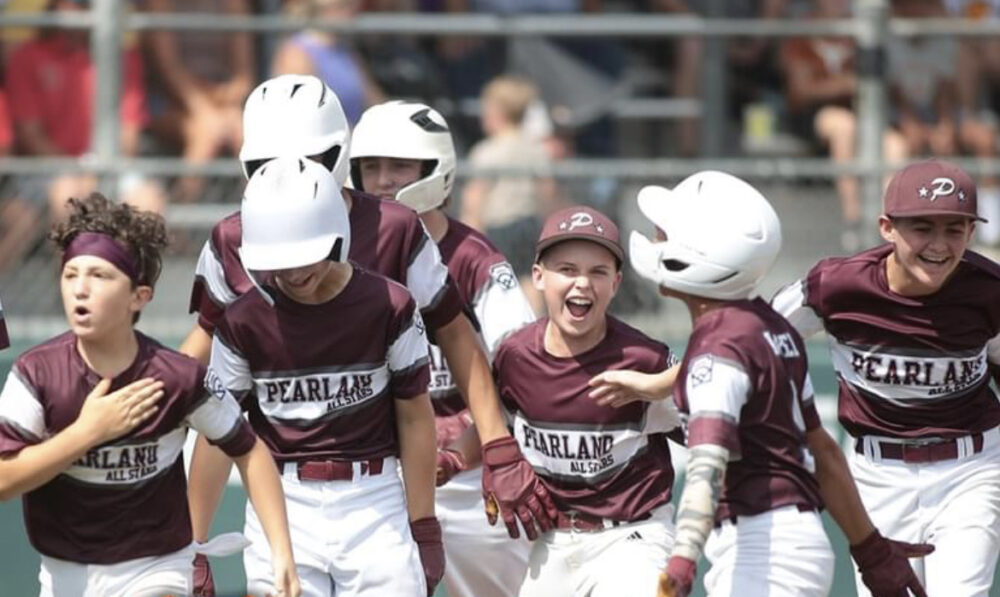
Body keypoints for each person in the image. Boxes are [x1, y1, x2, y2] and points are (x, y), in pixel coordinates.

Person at [182, 76, 551, 596]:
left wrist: (494, 442)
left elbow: (456, 336)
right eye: (266, 164)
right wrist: (187, 540)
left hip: (388, 476)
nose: (289, 174)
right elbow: (200, 367)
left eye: (308, 158)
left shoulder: (396, 230)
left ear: (337, 151)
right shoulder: (232, 238)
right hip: (283, 477)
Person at [594, 170, 931, 597]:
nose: (657, 240)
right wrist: (870, 549)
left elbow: (707, 464)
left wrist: (681, 560)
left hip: (761, 548)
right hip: (792, 542)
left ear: (703, 251)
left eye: (667, 233)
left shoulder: (717, 348)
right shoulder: (770, 327)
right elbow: (823, 451)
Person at [0, 193, 297, 597]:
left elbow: (249, 450)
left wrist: (282, 553)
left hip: (157, 568)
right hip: (64, 574)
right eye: (71, 275)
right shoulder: (35, 373)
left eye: (100, 276)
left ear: (139, 296)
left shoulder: (178, 377)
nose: (80, 289)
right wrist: (87, 433)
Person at [192, 156, 442, 597]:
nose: (293, 272)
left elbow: (415, 417)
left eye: (305, 253)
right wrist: (192, 544)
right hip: (282, 501)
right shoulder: (241, 322)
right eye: (278, 259)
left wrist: (423, 523)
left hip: (375, 499)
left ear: (338, 235)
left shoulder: (391, 305)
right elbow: (219, 435)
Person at [771, 159, 1000, 597]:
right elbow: (749, 337)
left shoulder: (989, 291)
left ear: (972, 233)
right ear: (886, 227)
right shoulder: (836, 286)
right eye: (921, 227)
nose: (938, 244)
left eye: (954, 228)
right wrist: (663, 383)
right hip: (877, 473)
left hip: (970, 469)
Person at [349, 100, 537, 597]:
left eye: (399, 166)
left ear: (436, 169)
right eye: (371, 166)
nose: (384, 179)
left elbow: (522, 367)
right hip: (379, 480)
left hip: (470, 482)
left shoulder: (473, 258)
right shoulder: (341, 257)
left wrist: (466, 452)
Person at [488, 205, 682, 597]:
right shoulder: (514, 356)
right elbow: (491, 423)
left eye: (598, 272)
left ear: (617, 283)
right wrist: (466, 460)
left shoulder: (645, 360)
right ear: (539, 277)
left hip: (633, 537)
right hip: (552, 543)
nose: (582, 284)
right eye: (568, 270)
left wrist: (652, 388)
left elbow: (715, 426)